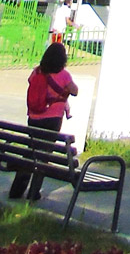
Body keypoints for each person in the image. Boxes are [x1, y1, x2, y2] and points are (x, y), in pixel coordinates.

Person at [8, 42, 78, 201]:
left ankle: (16, 190)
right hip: (52, 120)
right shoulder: (64, 75)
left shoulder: (37, 72)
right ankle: (33, 193)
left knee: (31, 152)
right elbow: (75, 91)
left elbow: (31, 83)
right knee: (44, 156)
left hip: (34, 118)